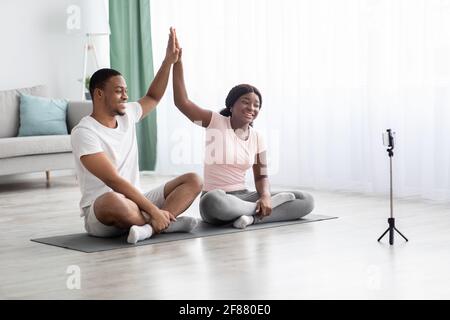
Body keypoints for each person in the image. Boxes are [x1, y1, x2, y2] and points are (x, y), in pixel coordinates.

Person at [171, 30, 314, 229]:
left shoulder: (257, 137)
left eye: (256, 105)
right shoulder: (215, 121)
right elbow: (182, 102)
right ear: (232, 105)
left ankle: (251, 216)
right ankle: (254, 212)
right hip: (219, 199)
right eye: (246, 102)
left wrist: (264, 196)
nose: (252, 108)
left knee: (305, 200)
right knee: (213, 201)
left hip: (245, 196)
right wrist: (177, 62)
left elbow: (262, 176)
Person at [71, 28, 202, 244]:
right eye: (119, 91)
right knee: (113, 200)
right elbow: (113, 181)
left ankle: (149, 228)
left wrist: (169, 61)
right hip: (103, 211)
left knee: (193, 180)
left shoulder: (127, 114)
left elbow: (153, 96)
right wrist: (154, 210)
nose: (126, 95)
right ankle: (162, 220)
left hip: (136, 202)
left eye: (126, 90)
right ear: (99, 93)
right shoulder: (84, 133)